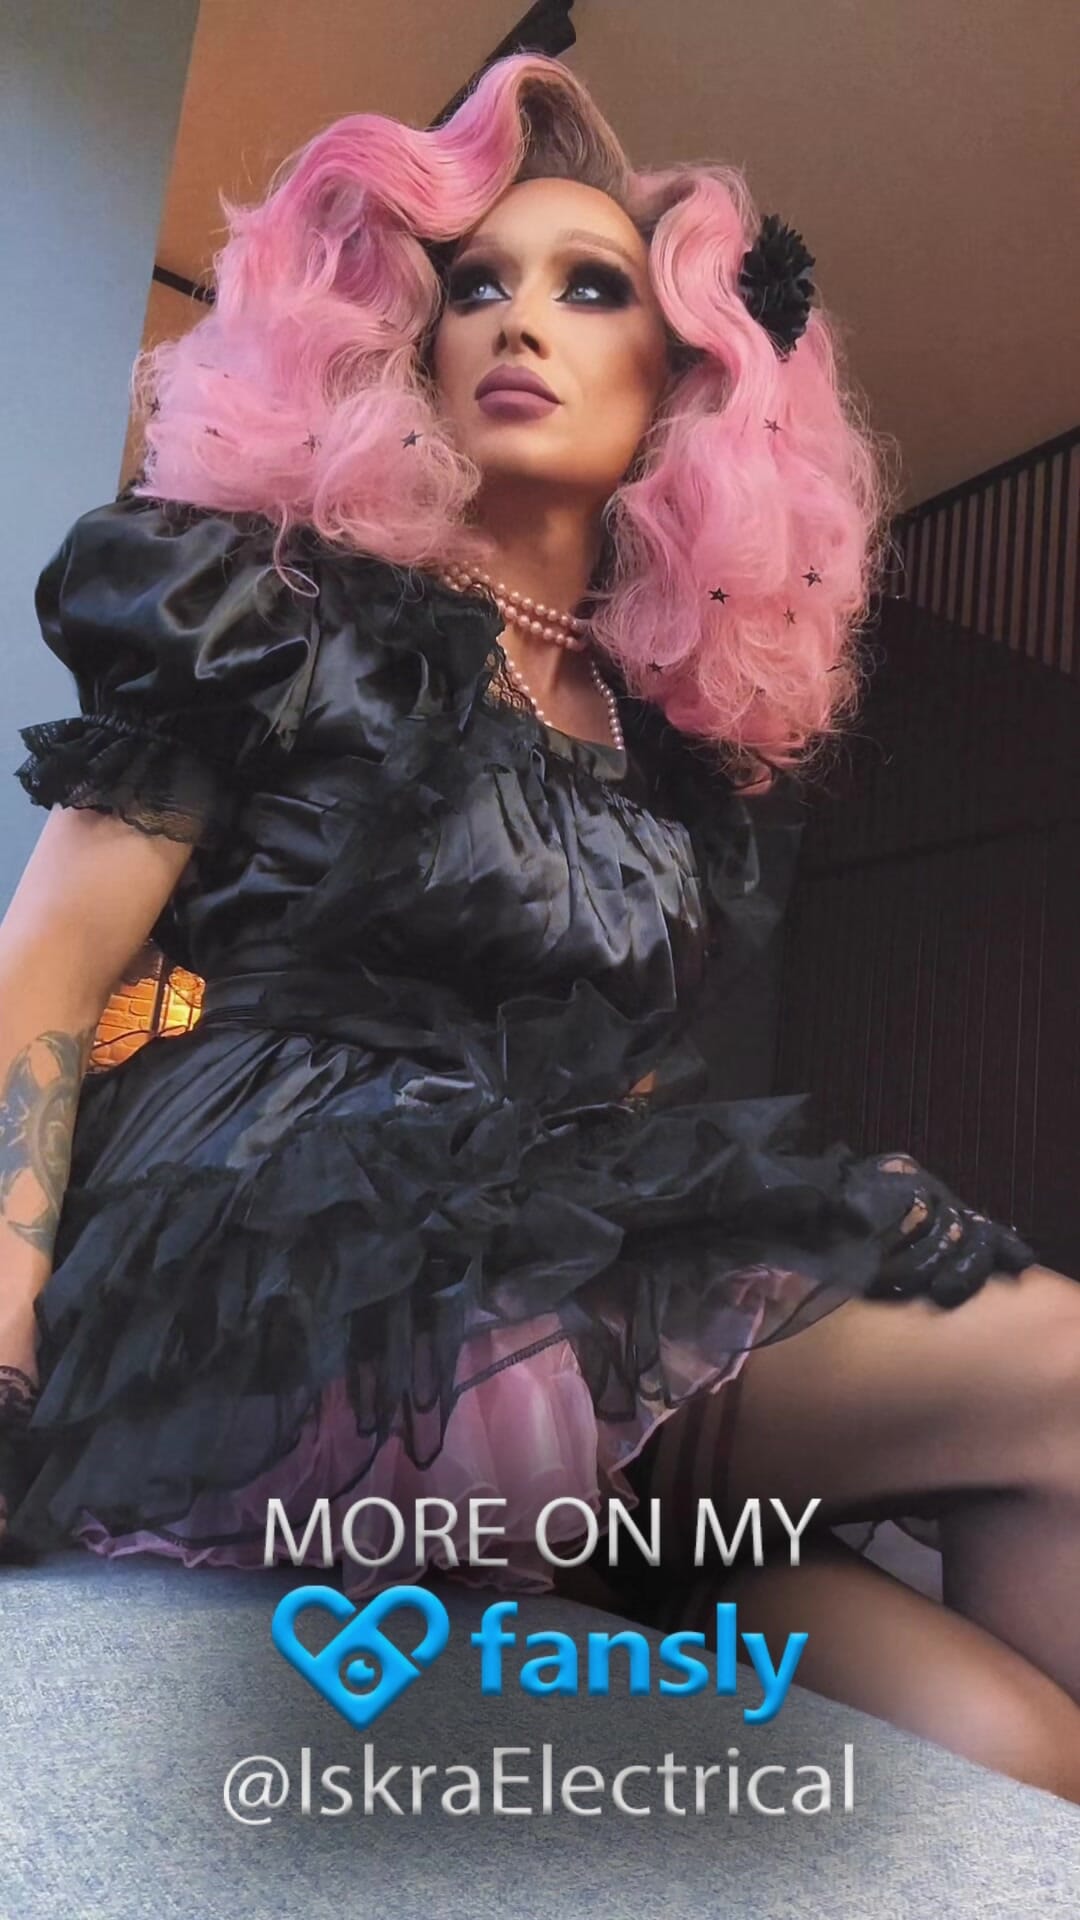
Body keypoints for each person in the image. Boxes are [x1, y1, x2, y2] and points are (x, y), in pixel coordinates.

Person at [2, 53, 1078, 1801]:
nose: (518, 320)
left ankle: (622, 1571)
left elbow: (618, 1097)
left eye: (590, 289)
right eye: (476, 286)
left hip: (578, 1302)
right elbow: (45, 975)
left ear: (687, 388)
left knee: (1024, 1711)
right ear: (412, 350)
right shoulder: (270, 612)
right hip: (289, 1267)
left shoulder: (669, 763)